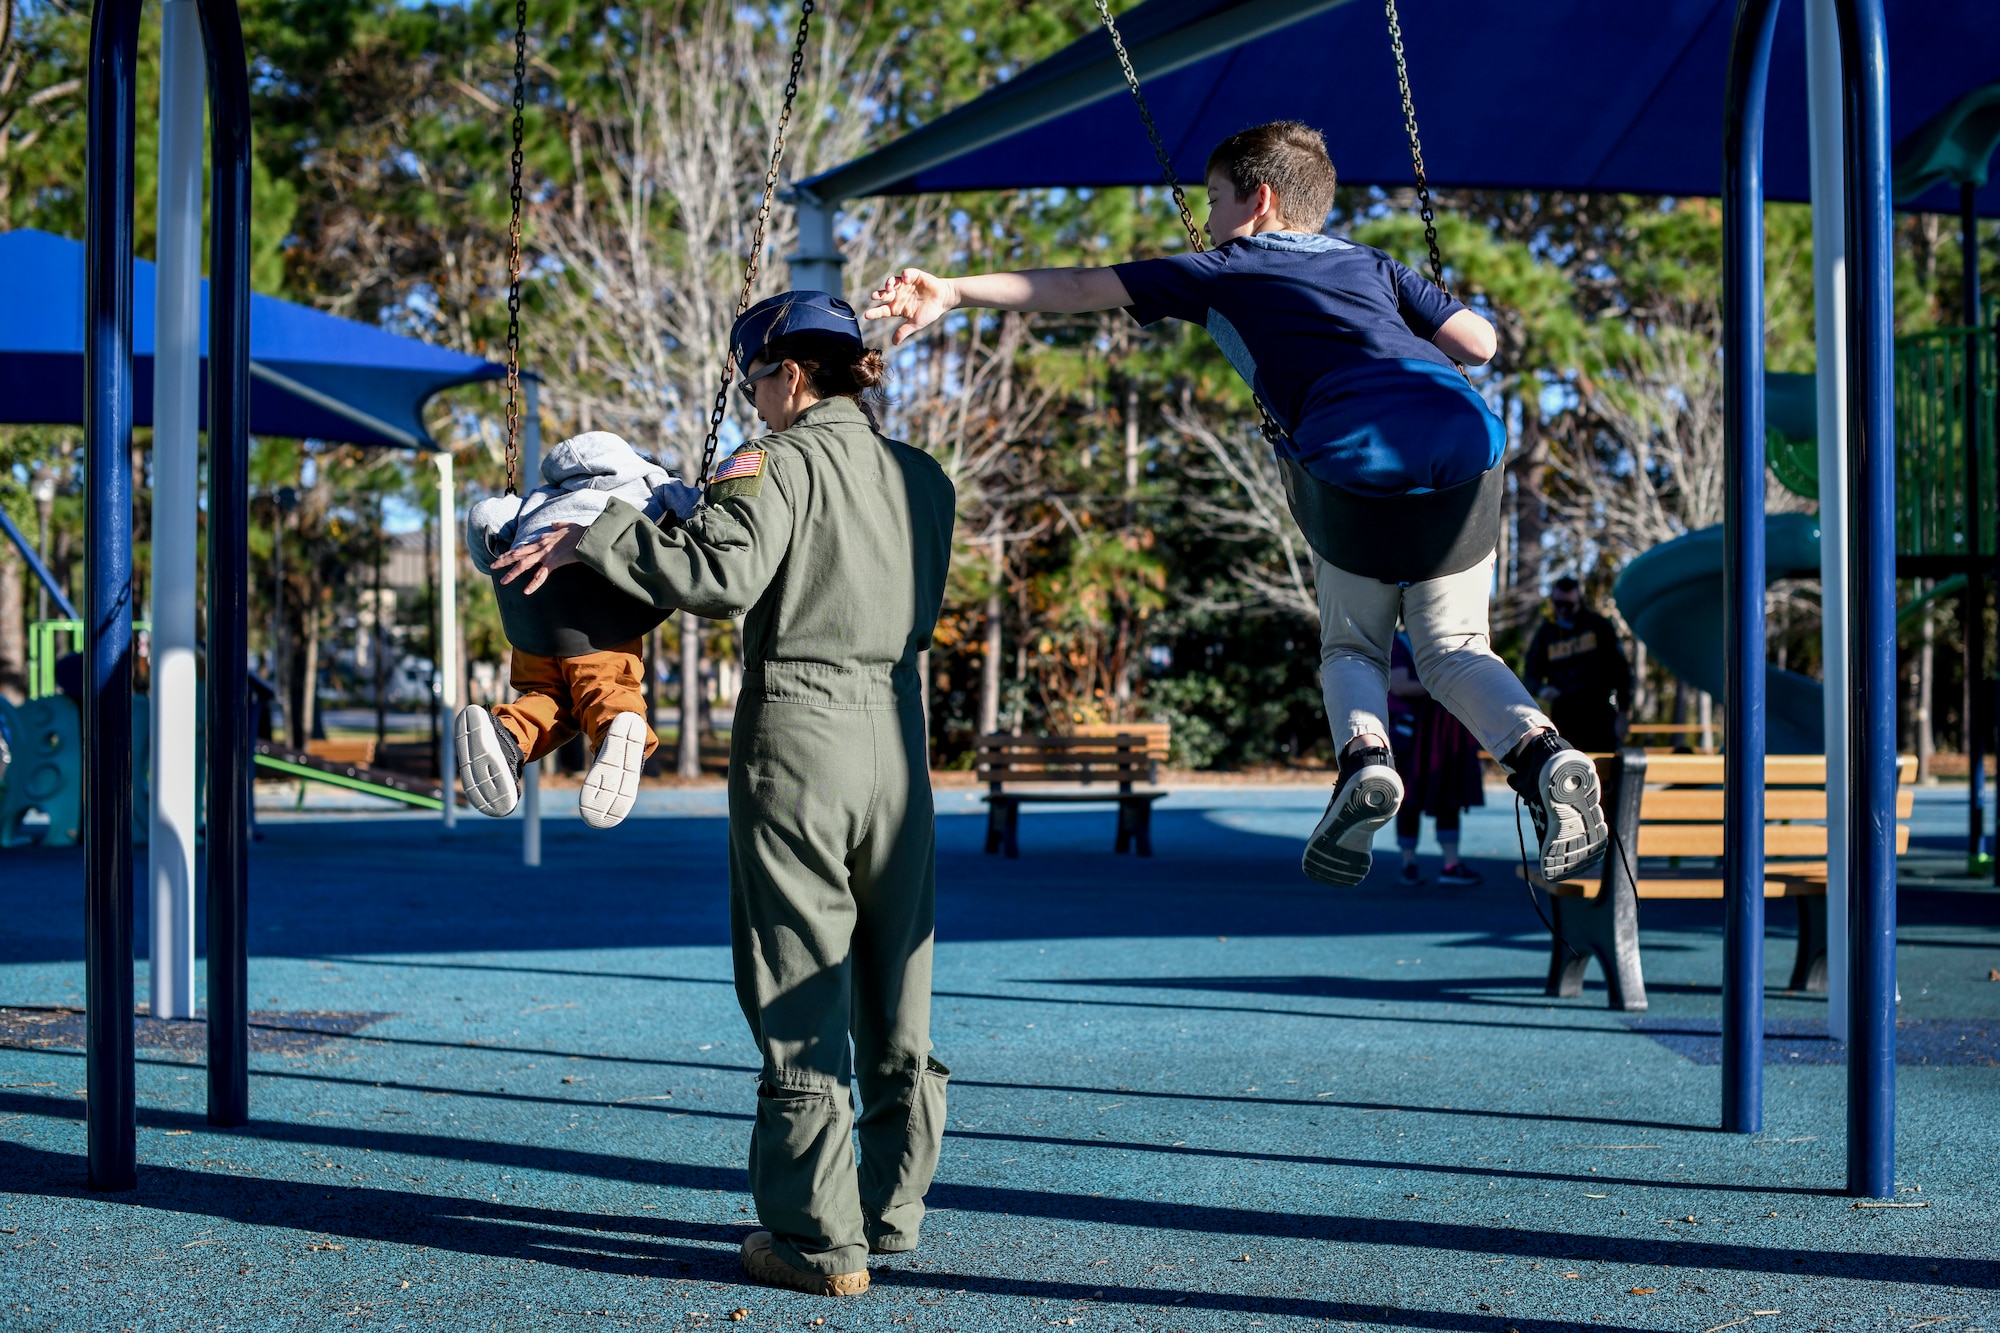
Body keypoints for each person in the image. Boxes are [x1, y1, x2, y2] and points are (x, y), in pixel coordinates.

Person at [866, 119, 1607, 890]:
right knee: (1455, 648)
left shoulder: (1224, 266)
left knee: (1353, 647)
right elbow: (1480, 344)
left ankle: (1366, 760)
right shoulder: (1372, 263)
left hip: (1352, 451)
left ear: (1257, 201)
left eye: (1213, 198)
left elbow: (1081, 286)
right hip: (1463, 438)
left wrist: (951, 290)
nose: (1207, 215)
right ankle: (1544, 754)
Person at [492, 291, 956, 1299]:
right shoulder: (925, 476)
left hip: (803, 728)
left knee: (796, 980)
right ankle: (889, 1209)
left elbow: (726, 577)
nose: (752, 399)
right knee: (896, 983)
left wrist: (599, 532)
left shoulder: (772, 460)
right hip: (900, 734)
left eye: (753, 380)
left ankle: (813, 1238)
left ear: (788, 373)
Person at [457, 431, 701, 828]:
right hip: (596, 600)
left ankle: (506, 735)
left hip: (527, 606)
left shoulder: (544, 493)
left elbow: (485, 516)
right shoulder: (653, 479)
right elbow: (697, 509)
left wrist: (494, 559)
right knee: (605, 686)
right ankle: (619, 727)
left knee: (549, 694)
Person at [1386, 630, 1485, 886]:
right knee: (1408, 799)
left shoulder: (1453, 639)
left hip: (1444, 732)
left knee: (1448, 796)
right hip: (1411, 734)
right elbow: (1399, 684)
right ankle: (1409, 863)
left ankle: (1450, 864)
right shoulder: (1400, 643)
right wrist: (1441, 684)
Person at [1522, 576, 1633, 754]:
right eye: (1558, 604)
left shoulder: (1598, 626)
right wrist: (1541, 689)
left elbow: (1621, 672)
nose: (1563, 610)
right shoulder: (1547, 633)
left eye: (1569, 605)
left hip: (1599, 713)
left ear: (1579, 602)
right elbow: (1530, 673)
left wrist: (1624, 713)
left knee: (1603, 770)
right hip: (1564, 715)